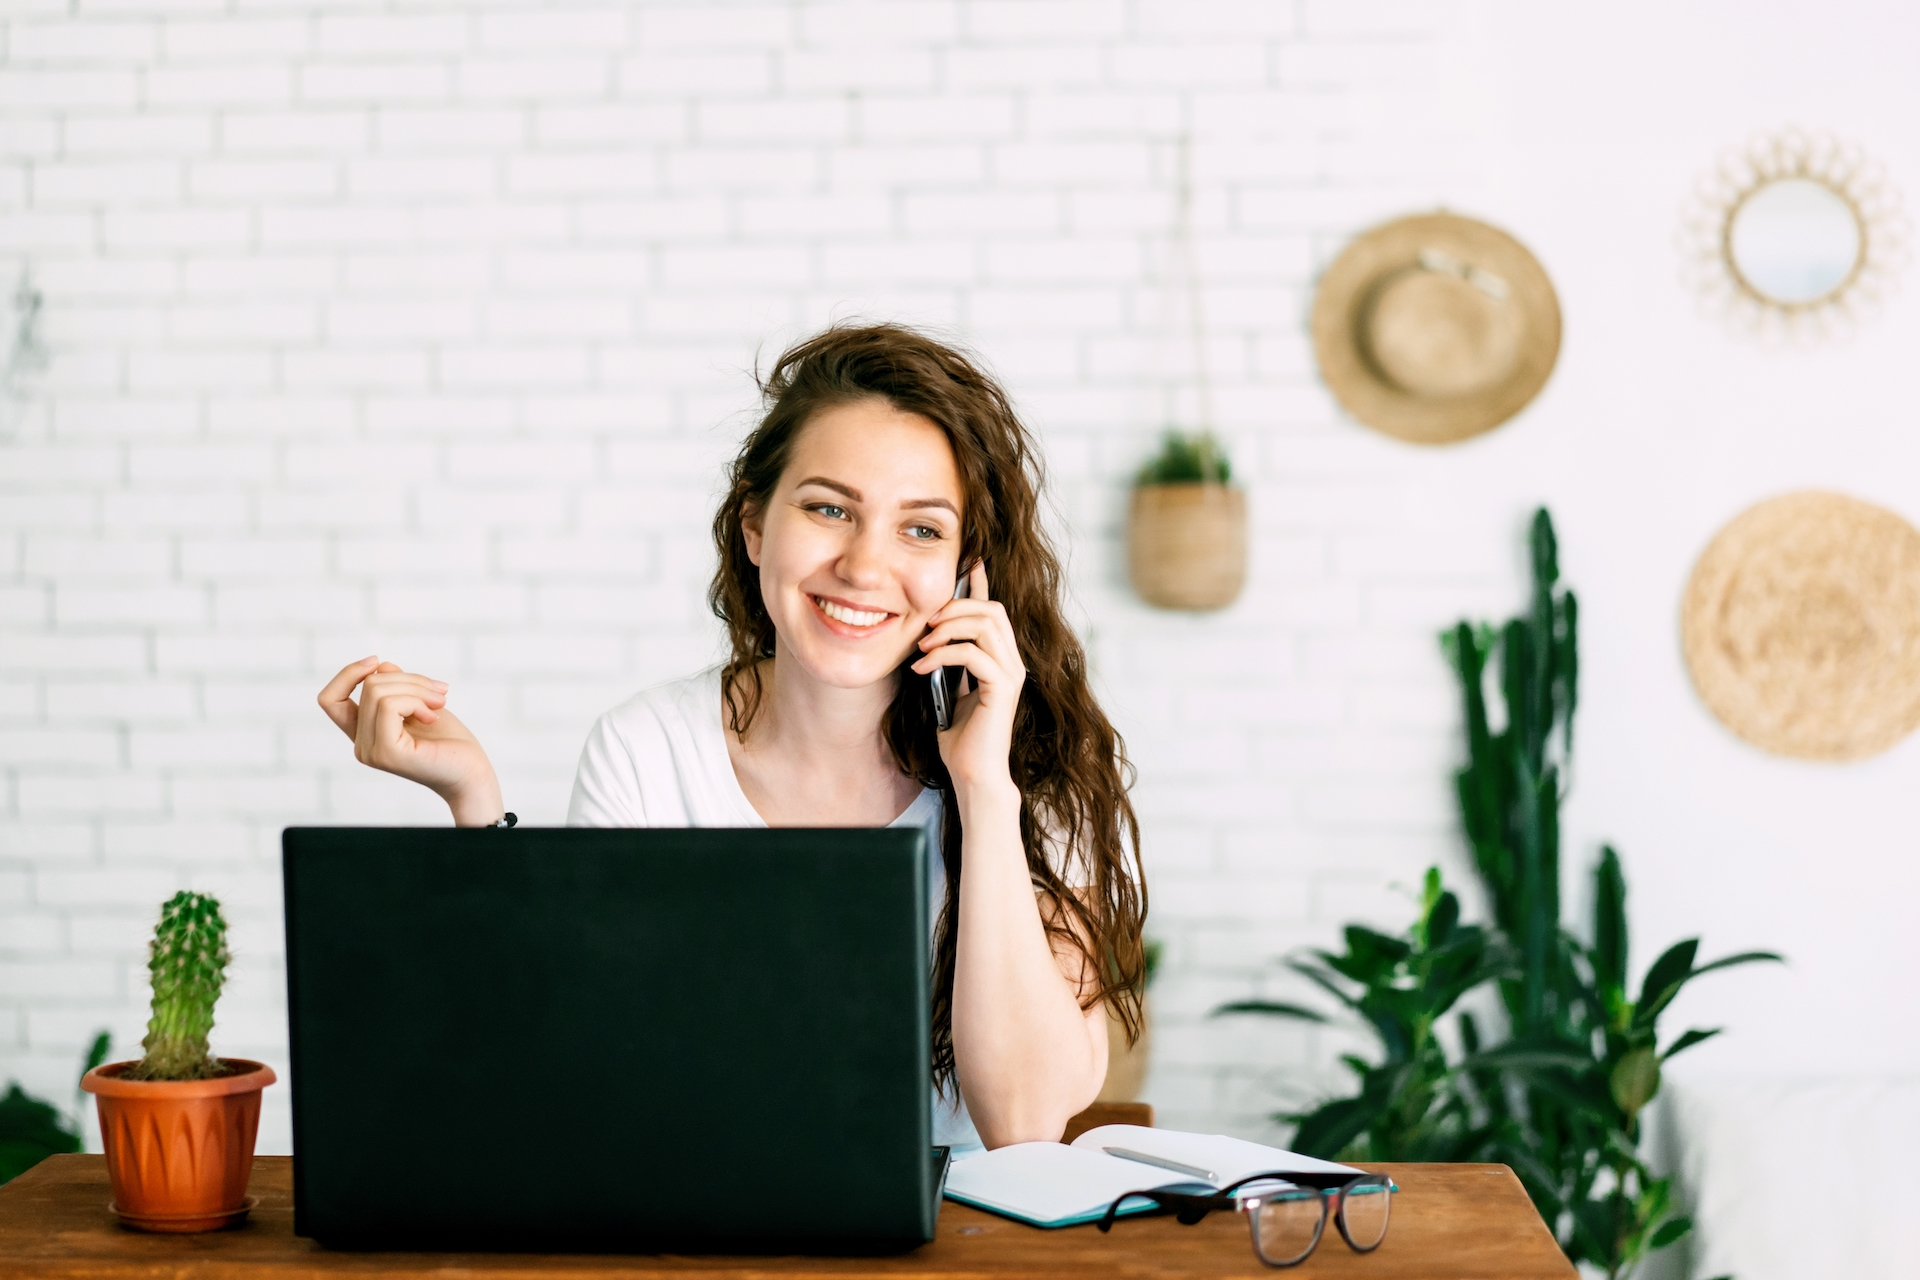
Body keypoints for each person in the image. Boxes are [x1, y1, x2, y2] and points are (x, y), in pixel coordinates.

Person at [316, 324, 1146, 1152]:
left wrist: (983, 788)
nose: (863, 567)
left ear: (968, 573)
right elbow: (573, 1071)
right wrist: (477, 806)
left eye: (921, 529)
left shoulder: (1024, 772)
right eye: (829, 508)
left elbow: (1026, 1124)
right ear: (755, 525)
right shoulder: (646, 751)